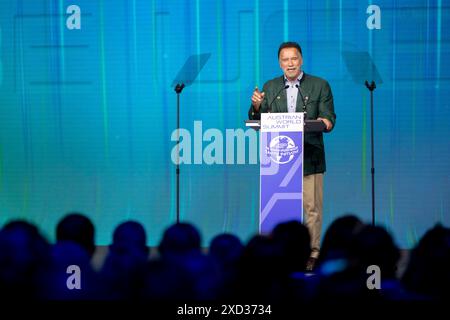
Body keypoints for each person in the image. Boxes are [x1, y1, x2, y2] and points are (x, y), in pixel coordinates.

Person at [248, 41, 336, 270]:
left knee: (312, 208)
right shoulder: (271, 86)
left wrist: (325, 122)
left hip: (310, 157)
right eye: (285, 60)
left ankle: (312, 254)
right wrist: (256, 107)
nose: (290, 63)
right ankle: (279, 254)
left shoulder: (320, 85)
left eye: (294, 58)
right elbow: (260, 121)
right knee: (279, 207)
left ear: (301, 60)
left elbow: (328, 118)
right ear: (279, 63)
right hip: (280, 159)